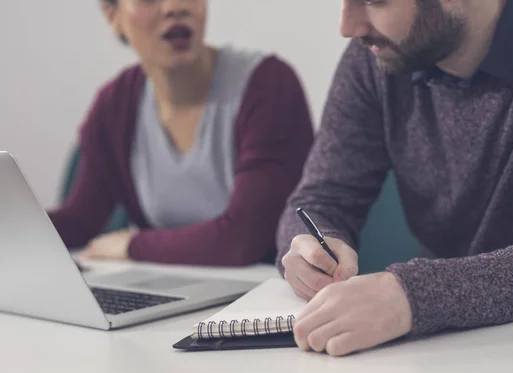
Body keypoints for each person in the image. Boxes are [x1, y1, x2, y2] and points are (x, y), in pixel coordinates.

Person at [277, 0, 513, 357]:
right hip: (443, 351)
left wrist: (414, 296)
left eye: (374, 1)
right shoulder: (376, 55)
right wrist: (310, 248)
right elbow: (320, 200)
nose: (348, 26)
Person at [49, 0, 314, 266]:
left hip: (260, 292)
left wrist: (132, 244)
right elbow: (80, 221)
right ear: (113, 15)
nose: (174, 7)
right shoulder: (115, 104)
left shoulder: (269, 84)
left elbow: (244, 240)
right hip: (167, 284)